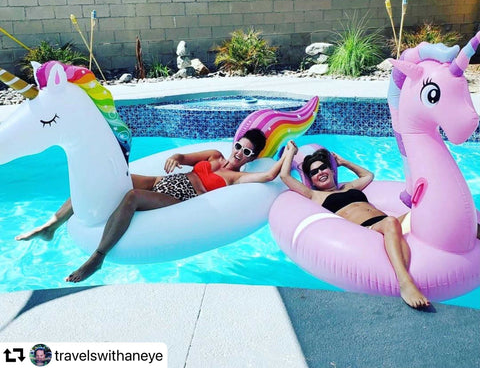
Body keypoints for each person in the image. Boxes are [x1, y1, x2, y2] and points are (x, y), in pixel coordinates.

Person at [17, 129, 285, 283]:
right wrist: (175, 158)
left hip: (181, 196)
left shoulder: (235, 177)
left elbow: (268, 176)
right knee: (102, 179)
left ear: (252, 157)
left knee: (132, 197)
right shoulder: (214, 155)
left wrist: (290, 154)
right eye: (239, 146)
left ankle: (97, 257)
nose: (238, 153)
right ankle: (51, 226)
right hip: (163, 180)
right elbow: (183, 156)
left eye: (246, 152)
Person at [280, 140, 431, 309]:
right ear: (312, 181)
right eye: (314, 172)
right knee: (390, 222)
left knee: (421, 212)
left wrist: (344, 162)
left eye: (323, 168)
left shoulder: (348, 186)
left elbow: (368, 176)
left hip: (387, 221)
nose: (320, 172)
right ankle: (404, 282)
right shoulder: (314, 195)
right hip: (369, 228)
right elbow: (285, 177)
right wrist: (290, 152)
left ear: (331, 171)